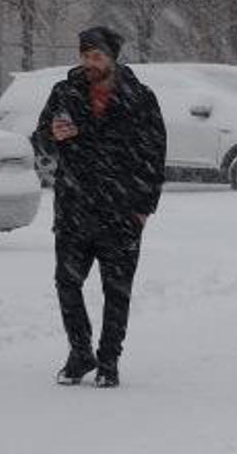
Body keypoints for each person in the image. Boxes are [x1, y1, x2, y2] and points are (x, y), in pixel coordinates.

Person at [36, 26, 167, 388]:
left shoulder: (139, 98)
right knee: (67, 282)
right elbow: (40, 139)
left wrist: (142, 209)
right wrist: (51, 136)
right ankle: (80, 353)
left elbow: (154, 155)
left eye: (97, 57)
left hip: (121, 211)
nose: (90, 63)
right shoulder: (64, 92)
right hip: (74, 207)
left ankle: (109, 360)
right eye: (85, 56)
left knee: (116, 289)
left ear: (112, 59)